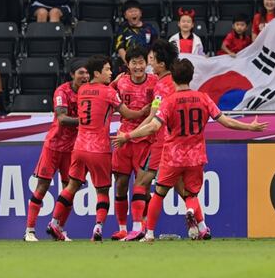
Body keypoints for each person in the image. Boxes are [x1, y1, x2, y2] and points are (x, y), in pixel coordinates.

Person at [112, 59, 267, 242]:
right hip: (196, 156)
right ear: (191, 77)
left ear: (173, 78)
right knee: (191, 194)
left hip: (173, 157)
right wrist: (250, 127)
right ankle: (194, 215)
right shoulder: (203, 98)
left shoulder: (169, 101)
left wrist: (128, 136)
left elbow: (153, 127)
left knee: (159, 193)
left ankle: (150, 234)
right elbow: (226, 121)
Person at [46, 55, 149, 241]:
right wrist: (143, 111)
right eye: (107, 70)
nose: (111, 73)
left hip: (79, 147)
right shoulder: (108, 93)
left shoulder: (83, 89)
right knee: (102, 191)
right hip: (99, 149)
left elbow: (97, 96)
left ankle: (54, 222)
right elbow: (127, 114)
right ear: (96, 73)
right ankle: (98, 227)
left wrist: (113, 85)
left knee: (71, 186)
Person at [120, 39, 186, 241]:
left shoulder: (160, 86)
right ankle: (200, 226)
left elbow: (153, 117)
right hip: (179, 141)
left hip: (162, 141)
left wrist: (130, 134)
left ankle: (139, 229)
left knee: (141, 182)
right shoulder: (176, 82)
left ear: (161, 64)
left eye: (151, 60)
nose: (149, 64)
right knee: (181, 187)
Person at [24, 59, 89, 242]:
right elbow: (61, 118)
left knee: (70, 190)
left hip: (73, 149)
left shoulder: (89, 92)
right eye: (81, 73)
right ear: (72, 74)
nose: (85, 76)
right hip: (54, 146)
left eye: (87, 73)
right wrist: (85, 121)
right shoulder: (62, 91)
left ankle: (58, 229)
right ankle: (29, 231)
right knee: (42, 187)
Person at [108, 47, 157, 240]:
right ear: (127, 65)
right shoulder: (120, 82)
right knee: (120, 184)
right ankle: (122, 228)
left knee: (142, 186)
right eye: (134, 63)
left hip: (146, 139)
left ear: (147, 63)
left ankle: (142, 226)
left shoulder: (155, 82)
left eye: (141, 62)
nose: (138, 66)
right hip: (123, 139)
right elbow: (105, 94)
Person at [114, 0, 159, 66]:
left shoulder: (149, 28)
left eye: (135, 11)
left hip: (147, 62)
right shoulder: (122, 29)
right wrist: (129, 63)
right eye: (130, 11)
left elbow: (155, 45)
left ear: (141, 13)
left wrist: (147, 61)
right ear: (125, 15)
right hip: (128, 63)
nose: (133, 13)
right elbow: (120, 48)